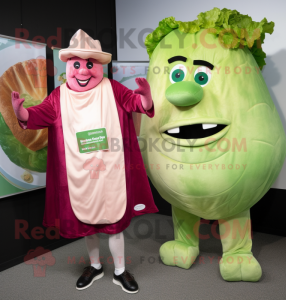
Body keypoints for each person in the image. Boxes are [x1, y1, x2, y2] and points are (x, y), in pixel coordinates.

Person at [11, 29, 158, 293]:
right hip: (77, 175)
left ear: (99, 66)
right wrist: (20, 111)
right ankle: (95, 266)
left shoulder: (113, 89)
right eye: (76, 64)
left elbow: (137, 104)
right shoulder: (58, 96)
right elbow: (37, 116)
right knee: (87, 225)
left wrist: (146, 97)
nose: (83, 71)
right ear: (68, 66)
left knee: (114, 226)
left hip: (111, 173)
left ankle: (121, 271)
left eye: (90, 64)